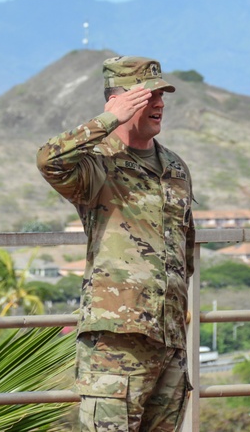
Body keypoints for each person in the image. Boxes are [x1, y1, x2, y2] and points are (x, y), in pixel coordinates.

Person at [37, 56, 195, 432]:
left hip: (169, 339)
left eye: (162, 96)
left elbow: (184, 246)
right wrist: (108, 120)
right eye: (148, 96)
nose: (159, 104)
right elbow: (48, 162)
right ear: (121, 101)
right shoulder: (97, 164)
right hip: (116, 344)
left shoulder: (175, 167)